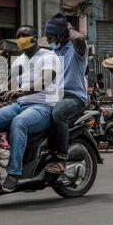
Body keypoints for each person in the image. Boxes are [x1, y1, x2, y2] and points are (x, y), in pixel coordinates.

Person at [0, 25, 61, 192]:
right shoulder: (19, 60)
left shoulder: (48, 56)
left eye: (25, 35)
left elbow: (44, 81)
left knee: (19, 123)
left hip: (43, 106)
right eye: (18, 36)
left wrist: (20, 92)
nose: (21, 39)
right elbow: (11, 84)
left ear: (34, 37)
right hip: (20, 105)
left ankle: (14, 173)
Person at [44, 13, 88, 174]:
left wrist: (66, 27)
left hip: (74, 98)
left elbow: (79, 39)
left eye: (50, 34)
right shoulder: (53, 52)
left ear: (60, 34)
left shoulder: (77, 50)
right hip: (54, 97)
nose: (46, 38)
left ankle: (61, 159)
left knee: (58, 113)